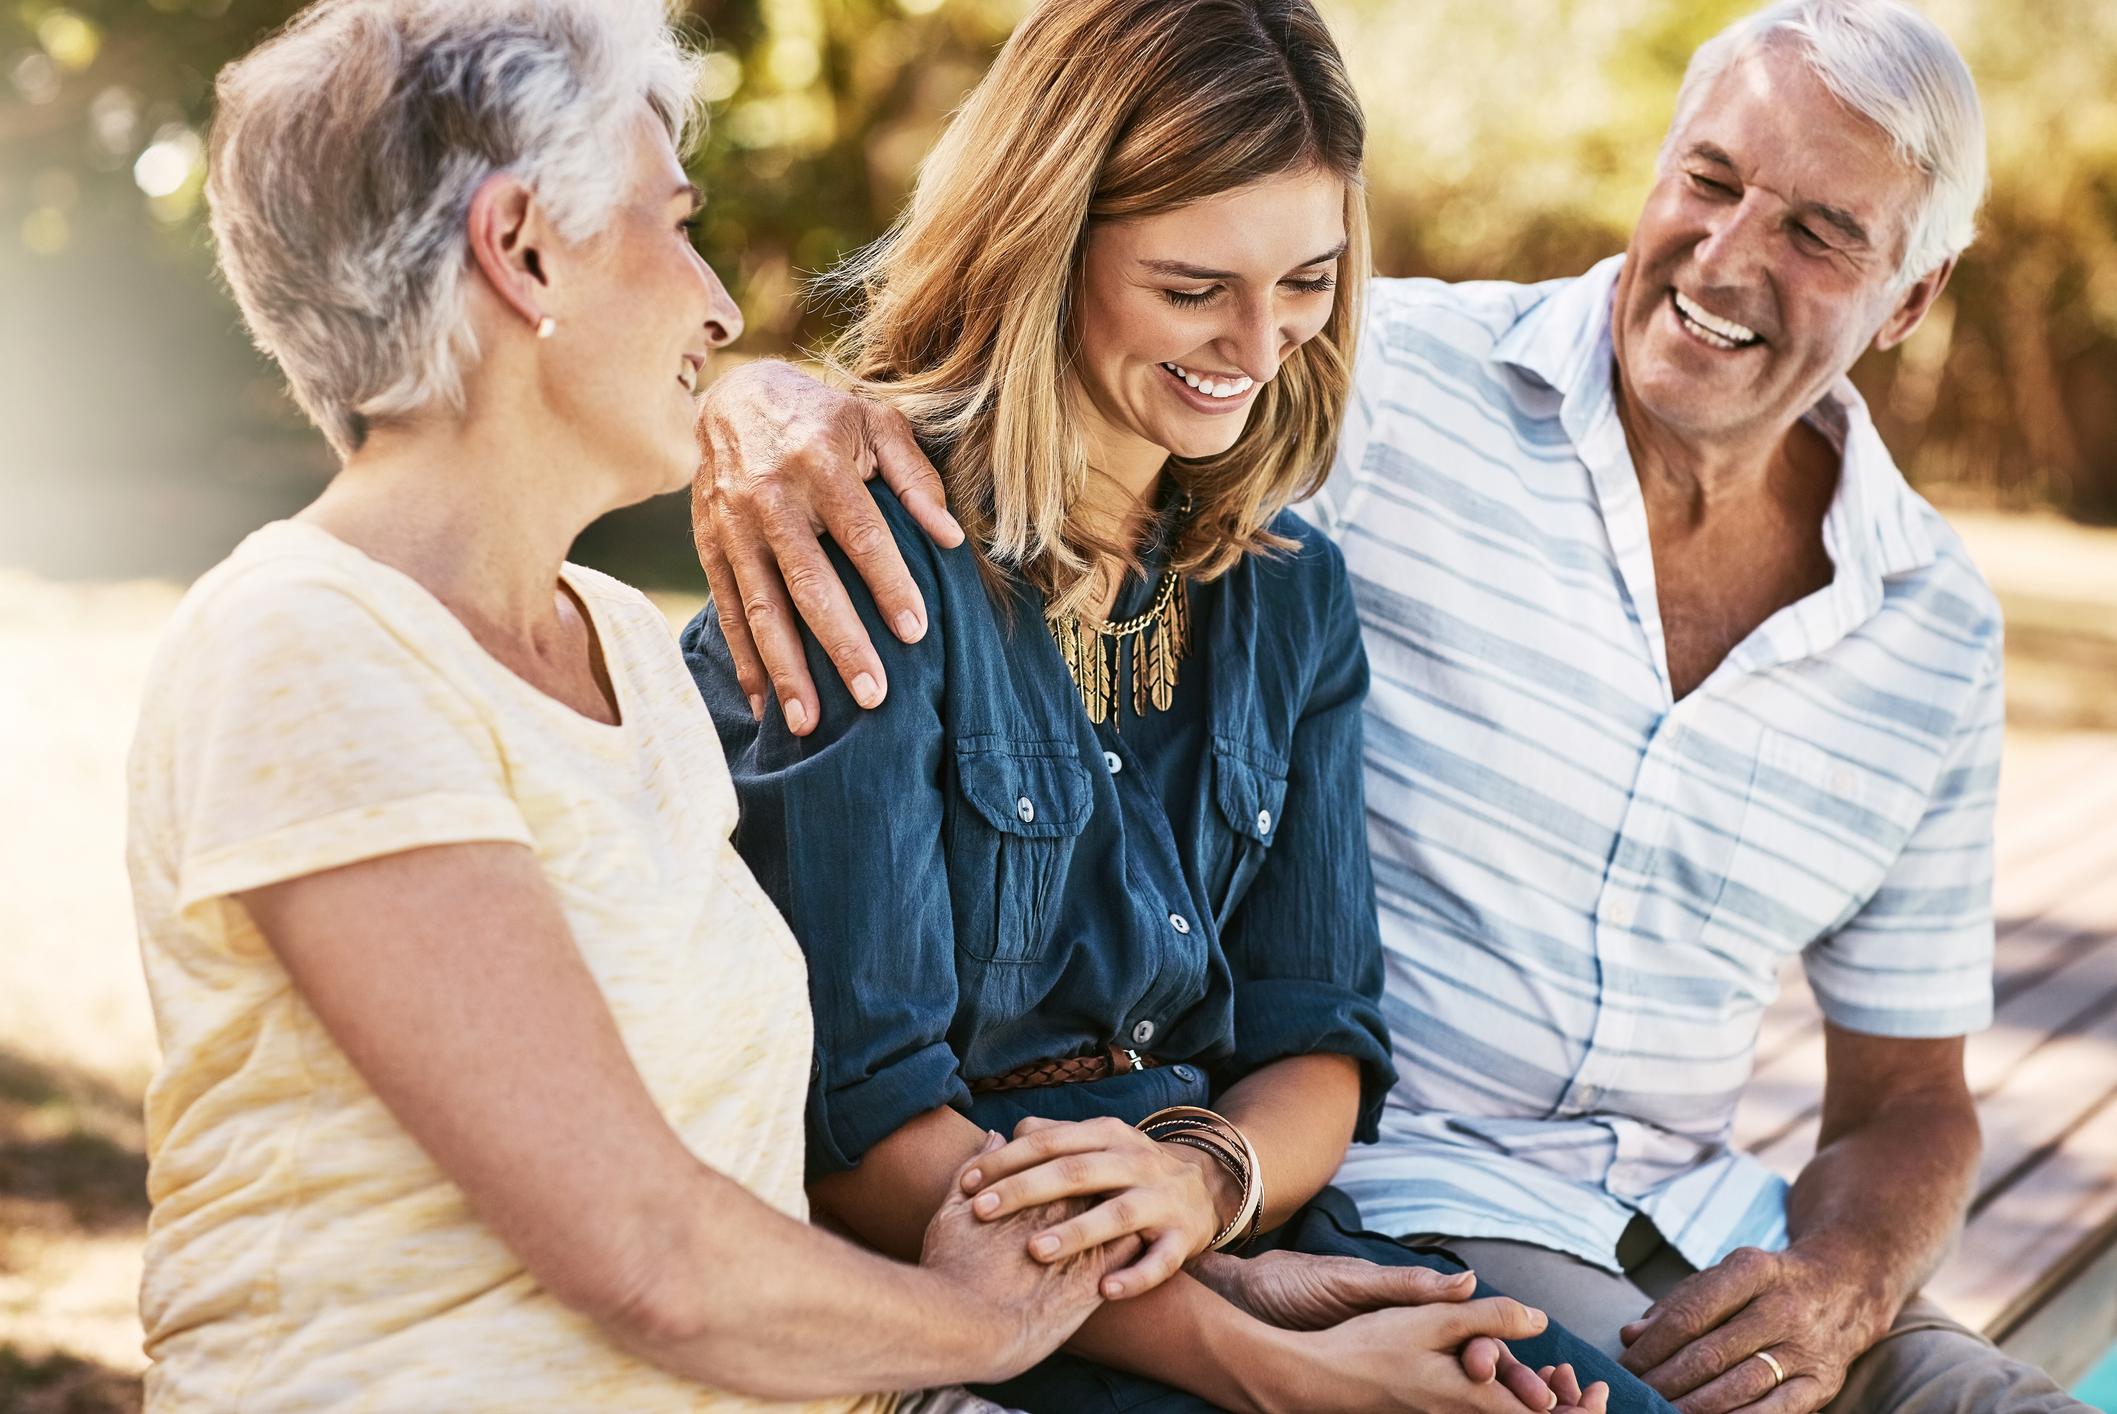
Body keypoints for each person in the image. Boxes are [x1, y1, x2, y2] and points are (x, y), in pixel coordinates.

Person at [680, 0, 2095, 1411]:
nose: (1259, 342)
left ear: (1909, 298)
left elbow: (1318, 1026)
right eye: (1712, 182)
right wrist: (758, 402)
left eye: (1816, 231)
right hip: (1356, 1215)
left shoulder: (1285, 557)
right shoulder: (1373, 400)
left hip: (1567, 1219)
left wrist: (1216, 1193)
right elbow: (865, 1119)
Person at [123, 2, 1141, 1409]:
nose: (720, 304)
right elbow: (647, 1250)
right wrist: (978, 1323)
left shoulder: (611, 635)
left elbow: (736, 1167)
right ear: (523, 246)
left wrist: (1217, 1261)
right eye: (677, 225)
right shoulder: (305, 644)